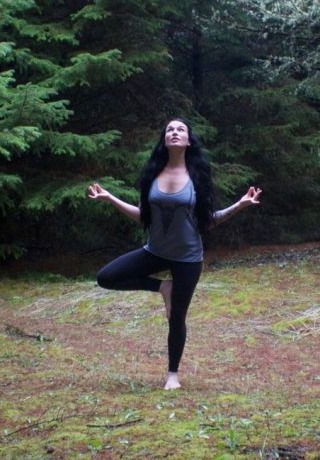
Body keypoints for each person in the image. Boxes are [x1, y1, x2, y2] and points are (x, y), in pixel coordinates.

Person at [87, 118, 262, 390]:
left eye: (181, 129)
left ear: (188, 140)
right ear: (164, 139)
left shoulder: (197, 178)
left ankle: (172, 375)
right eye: (170, 129)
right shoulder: (153, 174)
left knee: (177, 316)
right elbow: (143, 217)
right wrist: (111, 199)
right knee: (106, 277)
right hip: (155, 252)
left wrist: (239, 206)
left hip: (188, 259)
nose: (175, 132)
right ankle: (162, 287)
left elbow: (208, 221)